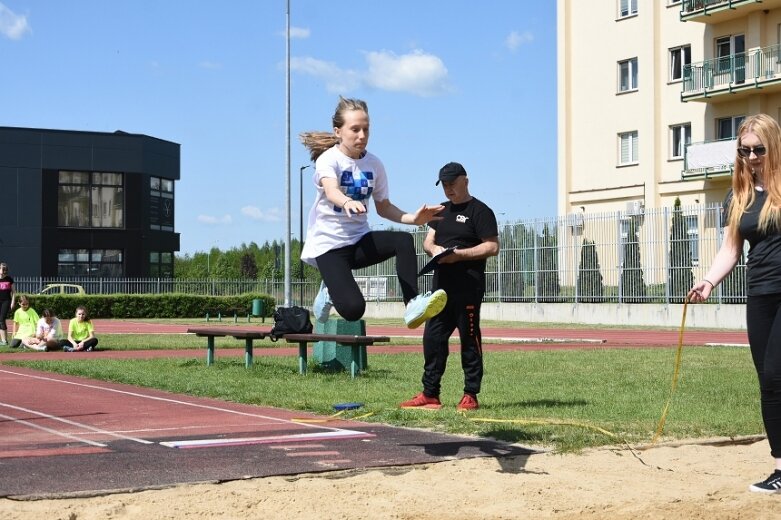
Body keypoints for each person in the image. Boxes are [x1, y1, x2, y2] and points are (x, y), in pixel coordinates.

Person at [688, 113, 781, 494]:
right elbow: (731, 248)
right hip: (759, 293)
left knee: (777, 373)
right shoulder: (738, 195)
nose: (752, 156)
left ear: (773, 146)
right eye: (744, 150)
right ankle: (780, 468)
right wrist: (709, 281)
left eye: (758, 149)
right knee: (769, 383)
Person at [299, 97, 447, 328]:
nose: (362, 136)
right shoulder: (329, 160)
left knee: (403, 241)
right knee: (353, 310)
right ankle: (329, 290)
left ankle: (412, 304)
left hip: (358, 240)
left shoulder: (374, 164)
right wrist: (346, 201)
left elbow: (384, 207)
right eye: (355, 129)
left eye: (366, 129)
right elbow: (331, 191)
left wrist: (413, 219)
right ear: (338, 131)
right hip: (329, 246)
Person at [400, 162, 499, 411]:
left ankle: (470, 395)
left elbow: (492, 247)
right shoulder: (440, 211)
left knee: (469, 340)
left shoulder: (481, 211)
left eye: (452, 183)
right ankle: (430, 393)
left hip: (468, 288)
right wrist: (435, 250)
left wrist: (460, 255)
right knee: (432, 339)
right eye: (444, 185)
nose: (448, 189)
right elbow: (428, 242)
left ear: (465, 181)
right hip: (440, 291)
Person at [0, 262, 15, 346]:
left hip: (6, 301)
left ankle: (4, 341)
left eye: (5, 269)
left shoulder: (9, 279)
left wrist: (12, 302)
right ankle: (4, 340)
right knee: (0, 321)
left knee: (1, 319)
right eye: (2, 268)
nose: (4, 270)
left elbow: (14, 292)